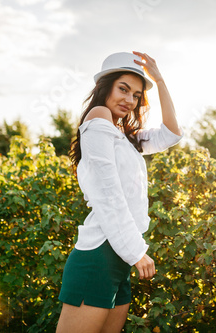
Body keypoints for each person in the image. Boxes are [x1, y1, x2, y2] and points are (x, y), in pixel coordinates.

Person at [56, 51, 183, 332]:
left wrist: (159, 80)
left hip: (119, 259)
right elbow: (107, 193)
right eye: (123, 89)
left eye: (136, 95)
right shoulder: (98, 116)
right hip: (100, 255)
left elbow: (172, 134)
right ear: (106, 87)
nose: (129, 99)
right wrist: (136, 252)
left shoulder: (125, 136)